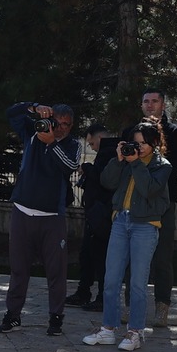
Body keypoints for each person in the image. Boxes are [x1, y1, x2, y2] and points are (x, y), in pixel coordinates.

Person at [83, 121, 172, 352]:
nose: (139, 148)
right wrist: (118, 159)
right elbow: (107, 181)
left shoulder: (162, 166)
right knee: (111, 280)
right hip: (121, 222)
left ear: (154, 144)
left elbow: (149, 189)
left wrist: (136, 164)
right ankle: (108, 330)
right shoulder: (125, 159)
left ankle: (135, 332)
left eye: (143, 143)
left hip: (145, 225)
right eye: (136, 143)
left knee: (137, 283)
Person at [0, 102, 82, 335]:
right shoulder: (33, 131)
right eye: (57, 122)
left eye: (66, 125)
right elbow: (11, 112)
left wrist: (53, 144)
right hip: (22, 211)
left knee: (57, 271)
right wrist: (34, 107)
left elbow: (70, 166)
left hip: (52, 217)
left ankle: (56, 318)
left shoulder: (72, 144)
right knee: (18, 270)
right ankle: (12, 315)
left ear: (71, 125)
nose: (61, 128)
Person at [121, 89, 177, 328]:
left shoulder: (175, 133)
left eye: (155, 101)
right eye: (146, 101)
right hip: (133, 202)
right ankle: (129, 306)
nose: (150, 105)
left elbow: (173, 169)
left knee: (162, 257)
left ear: (163, 104)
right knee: (130, 257)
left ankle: (162, 307)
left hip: (163, 202)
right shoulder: (131, 133)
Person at [69, 123, 116, 308]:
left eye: (91, 143)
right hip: (97, 213)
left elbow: (104, 180)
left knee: (98, 256)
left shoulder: (107, 152)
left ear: (98, 138)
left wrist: (88, 169)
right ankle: (84, 292)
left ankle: (101, 297)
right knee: (87, 254)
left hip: (101, 214)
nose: (91, 147)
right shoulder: (109, 152)